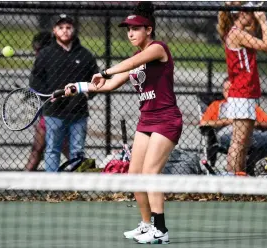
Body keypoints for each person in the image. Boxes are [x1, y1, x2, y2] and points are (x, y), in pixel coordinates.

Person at [64, 2, 182, 244]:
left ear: (148, 30)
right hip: (146, 119)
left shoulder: (158, 49)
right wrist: (79, 86)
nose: (130, 33)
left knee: (150, 173)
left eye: (135, 28)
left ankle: (160, 231)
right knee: (135, 173)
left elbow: (122, 68)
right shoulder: (137, 57)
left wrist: (105, 71)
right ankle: (146, 224)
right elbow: (108, 84)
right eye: (128, 29)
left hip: (167, 119)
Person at [30, 14, 98, 172]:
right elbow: (35, 80)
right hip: (53, 112)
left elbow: (95, 80)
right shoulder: (45, 54)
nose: (65, 31)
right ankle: (52, 188)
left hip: (78, 112)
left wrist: (87, 94)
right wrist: (47, 95)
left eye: (68, 27)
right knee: (52, 149)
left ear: (73, 30)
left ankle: (75, 187)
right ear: (54, 30)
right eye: (61, 27)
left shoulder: (85, 55)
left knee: (77, 151)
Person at [216, 1, 267, 173]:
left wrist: (256, 14)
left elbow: (255, 32)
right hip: (242, 93)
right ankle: (232, 180)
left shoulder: (240, 33)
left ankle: (238, 177)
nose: (254, 15)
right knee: (238, 142)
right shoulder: (237, 34)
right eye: (250, 12)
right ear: (241, 14)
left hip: (245, 93)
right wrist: (263, 20)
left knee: (243, 143)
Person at [200, 78, 267, 175]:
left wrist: (252, 123)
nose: (229, 93)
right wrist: (228, 121)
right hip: (227, 132)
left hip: (252, 131)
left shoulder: (247, 105)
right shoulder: (217, 105)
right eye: (226, 90)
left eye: (232, 90)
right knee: (241, 140)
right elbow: (204, 123)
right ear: (222, 91)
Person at [25, 31, 69, 171]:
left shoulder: (55, 60)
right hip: (48, 113)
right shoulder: (44, 61)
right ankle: (18, 186)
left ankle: (92, 179)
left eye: (38, 50)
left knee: (68, 151)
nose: (36, 53)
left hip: (59, 114)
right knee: (37, 150)